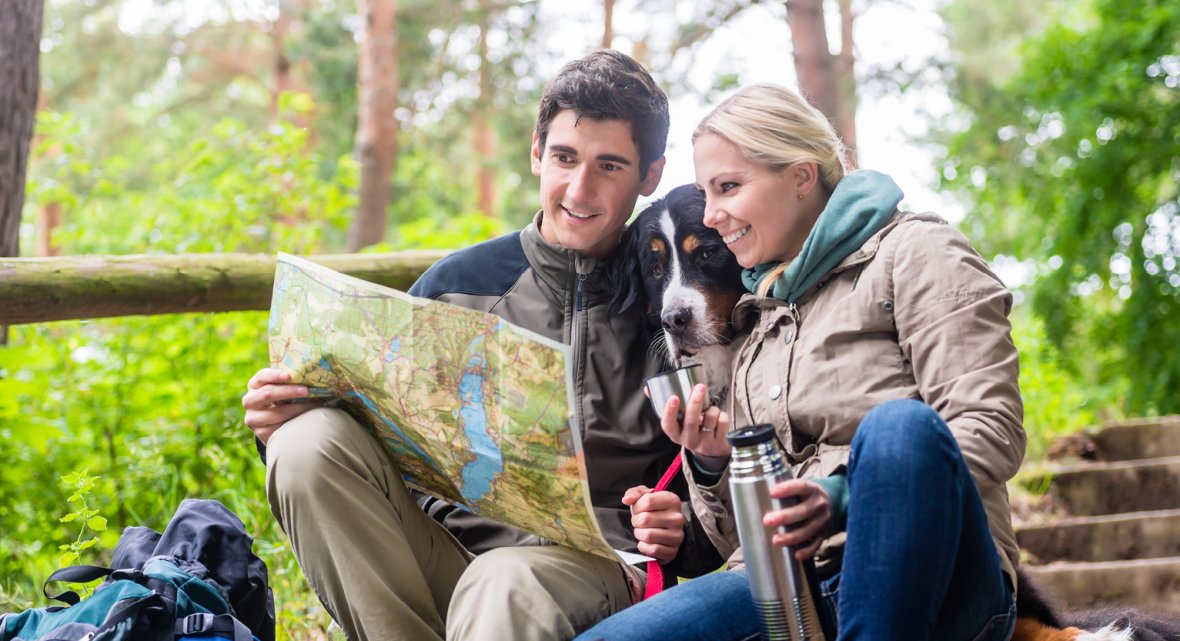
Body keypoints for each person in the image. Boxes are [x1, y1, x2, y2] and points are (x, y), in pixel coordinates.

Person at [241, 50, 721, 641]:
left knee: (504, 582)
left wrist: (678, 534)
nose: (580, 187)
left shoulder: (670, 304)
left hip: (589, 569)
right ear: (536, 152)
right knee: (305, 444)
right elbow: (361, 445)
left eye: (610, 166)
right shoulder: (454, 286)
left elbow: (709, 496)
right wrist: (281, 417)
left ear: (649, 175)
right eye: (565, 157)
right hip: (440, 554)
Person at [576, 82, 1025, 641]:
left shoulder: (915, 253)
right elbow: (732, 538)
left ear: (801, 176)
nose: (712, 215)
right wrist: (715, 462)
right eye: (708, 194)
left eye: (728, 188)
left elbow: (991, 429)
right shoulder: (750, 317)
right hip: (782, 583)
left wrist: (840, 497)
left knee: (898, 427)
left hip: (934, 572)